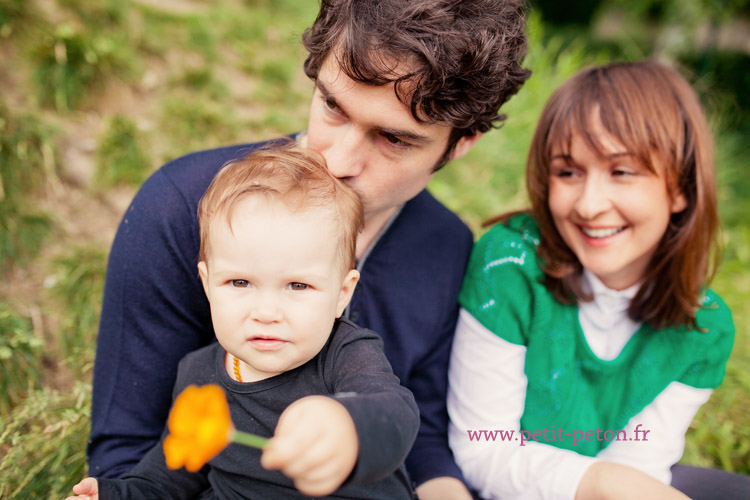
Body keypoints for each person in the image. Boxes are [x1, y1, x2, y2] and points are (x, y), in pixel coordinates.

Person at [87, 1, 530, 498]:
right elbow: (129, 451)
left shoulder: (446, 248)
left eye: (394, 139)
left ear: (460, 143)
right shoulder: (178, 209)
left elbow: (422, 432)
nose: (337, 161)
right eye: (333, 106)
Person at [447, 61, 743, 499]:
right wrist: (600, 482)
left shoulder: (704, 327)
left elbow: (640, 469)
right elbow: (483, 451)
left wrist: (613, 484)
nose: (588, 205)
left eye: (621, 172)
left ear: (680, 188)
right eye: (568, 172)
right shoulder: (508, 265)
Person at [68, 146, 420, 500]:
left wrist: (350, 426)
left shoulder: (344, 355)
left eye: (298, 286)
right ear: (207, 283)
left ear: (342, 294)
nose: (266, 312)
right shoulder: (198, 375)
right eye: (240, 283)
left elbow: (396, 413)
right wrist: (114, 494)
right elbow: (170, 478)